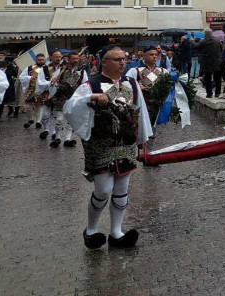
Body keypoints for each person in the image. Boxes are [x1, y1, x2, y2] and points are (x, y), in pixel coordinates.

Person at [64, 46, 152, 249]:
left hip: (126, 143)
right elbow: (70, 107)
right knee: (103, 189)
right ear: (104, 62)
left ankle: (116, 232)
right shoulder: (91, 84)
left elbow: (141, 110)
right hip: (101, 144)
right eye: (117, 59)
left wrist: (143, 137)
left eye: (124, 59)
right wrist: (90, 98)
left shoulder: (130, 83)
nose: (123, 63)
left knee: (122, 188)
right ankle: (91, 230)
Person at [37, 51, 88, 147]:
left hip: (74, 98)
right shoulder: (61, 70)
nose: (75, 60)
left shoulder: (82, 71)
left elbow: (85, 84)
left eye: (77, 58)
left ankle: (67, 139)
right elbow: (54, 83)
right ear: (68, 59)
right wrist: (54, 81)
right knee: (59, 119)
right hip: (62, 98)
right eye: (73, 58)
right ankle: (58, 138)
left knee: (70, 120)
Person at [36, 50, 64, 141]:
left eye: (60, 56)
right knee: (45, 114)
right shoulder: (45, 68)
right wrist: (50, 82)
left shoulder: (64, 67)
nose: (58, 58)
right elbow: (40, 81)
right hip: (47, 93)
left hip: (59, 93)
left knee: (56, 114)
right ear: (51, 57)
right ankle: (46, 129)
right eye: (56, 56)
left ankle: (55, 132)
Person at [19, 52, 52, 130]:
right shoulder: (29, 68)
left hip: (41, 90)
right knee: (28, 106)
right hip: (30, 90)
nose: (41, 61)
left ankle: (38, 121)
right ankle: (30, 119)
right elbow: (21, 77)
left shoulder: (47, 68)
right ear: (36, 60)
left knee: (39, 106)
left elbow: (51, 78)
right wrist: (30, 78)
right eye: (39, 60)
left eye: (42, 60)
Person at [196, 30, 223, 97]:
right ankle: (217, 93)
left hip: (207, 63)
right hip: (217, 62)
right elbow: (221, 49)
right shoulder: (217, 41)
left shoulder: (203, 42)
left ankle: (209, 94)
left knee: (207, 78)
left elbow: (196, 47)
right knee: (217, 78)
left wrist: (191, 41)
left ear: (205, 34)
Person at [0, 52, 19, 120]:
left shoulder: (8, 64)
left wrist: (5, 71)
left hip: (5, 84)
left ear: (4, 56)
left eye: (1, 55)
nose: (0, 56)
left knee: (3, 100)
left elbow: (14, 72)